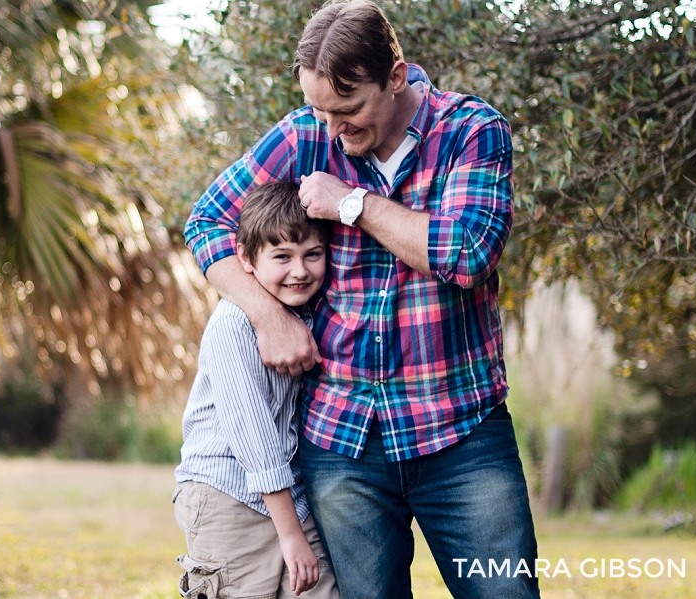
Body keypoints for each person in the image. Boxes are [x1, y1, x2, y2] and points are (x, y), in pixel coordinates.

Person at [184, 1, 541, 597]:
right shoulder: (303, 137)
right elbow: (206, 223)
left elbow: (469, 253)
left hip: (462, 436)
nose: (332, 129)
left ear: (396, 78)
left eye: (347, 110)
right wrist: (269, 317)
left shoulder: (472, 131)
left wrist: (353, 204)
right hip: (341, 442)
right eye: (320, 110)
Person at [174, 182, 340, 599]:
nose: (299, 270)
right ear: (246, 259)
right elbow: (254, 436)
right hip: (227, 496)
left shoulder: (304, 313)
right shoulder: (234, 323)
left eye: (312, 255)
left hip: (287, 494)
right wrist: (290, 534)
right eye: (282, 256)